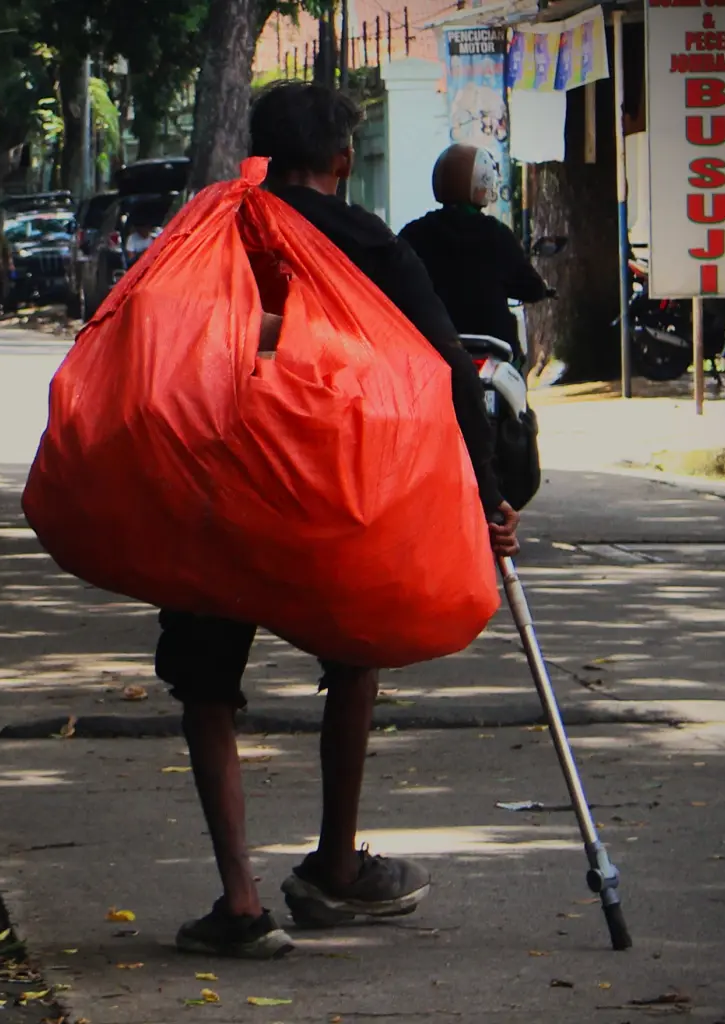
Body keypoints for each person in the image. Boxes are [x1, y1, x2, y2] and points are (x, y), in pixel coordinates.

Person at [158, 82, 520, 960]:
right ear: (344, 161)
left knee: (207, 688)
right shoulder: (374, 248)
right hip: (335, 496)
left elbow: (161, 339)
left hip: (224, 490)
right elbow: (450, 376)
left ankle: (242, 905)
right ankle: (335, 868)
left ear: (264, 152)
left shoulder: (216, 231)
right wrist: (488, 494)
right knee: (355, 653)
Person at [398, 145, 551, 360]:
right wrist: (542, 289)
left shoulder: (413, 234)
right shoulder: (497, 235)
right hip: (495, 352)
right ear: (483, 181)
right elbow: (530, 288)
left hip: (434, 352)